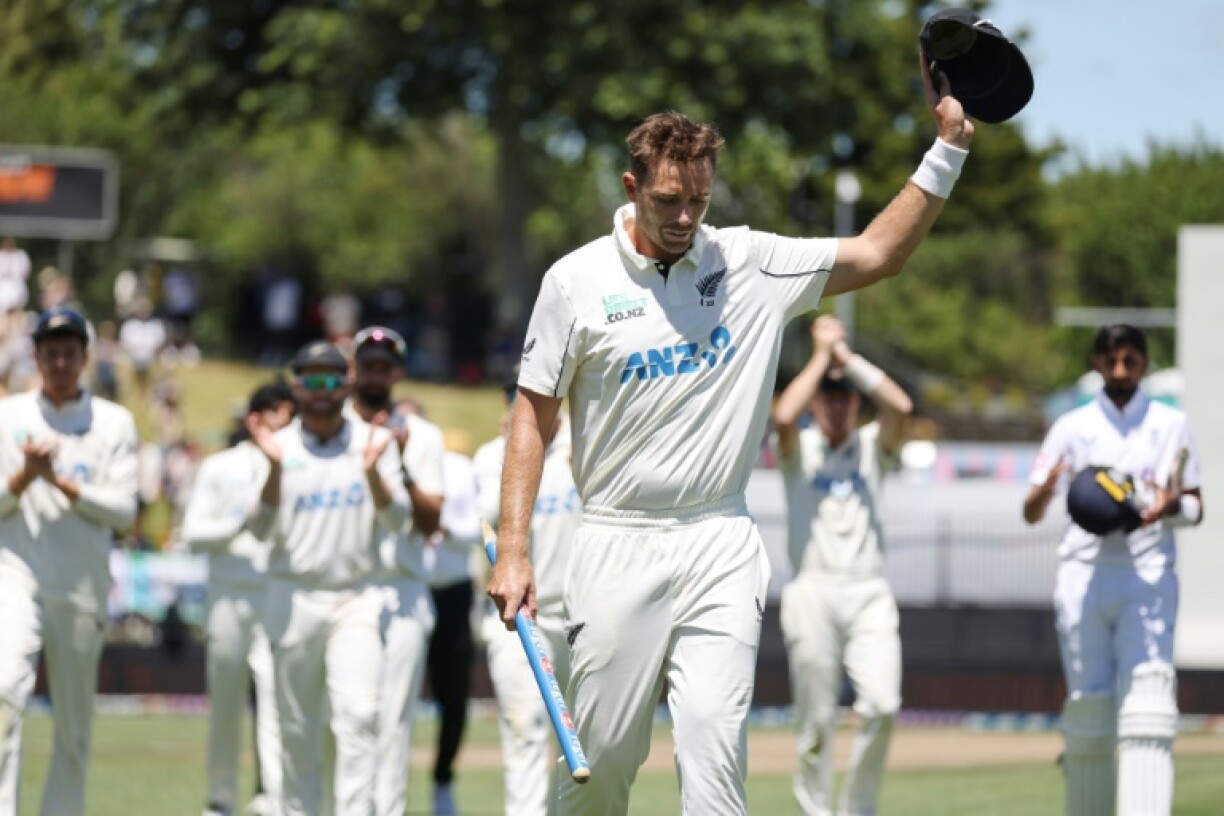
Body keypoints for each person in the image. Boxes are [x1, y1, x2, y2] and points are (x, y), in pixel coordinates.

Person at [486, 62, 974, 814]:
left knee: (715, 749)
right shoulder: (573, 282)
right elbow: (532, 417)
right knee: (604, 762)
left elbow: (879, 254)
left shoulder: (749, 261)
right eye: (668, 201)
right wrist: (514, 550)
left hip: (721, 537)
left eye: (698, 201)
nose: (685, 217)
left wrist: (946, 151)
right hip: (616, 540)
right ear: (630, 188)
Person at [1022, 324, 1203, 816]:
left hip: (1147, 575)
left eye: (1129, 361)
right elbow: (1031, 511)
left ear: (1143, 363)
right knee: (1089, 707)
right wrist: (1044, 490)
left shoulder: (1171, 425)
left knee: (1149, 704)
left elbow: (1195, 509)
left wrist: (1168, 506)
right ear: (1097, 363)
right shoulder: (1072, 426)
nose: (1120, 371)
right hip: (1084, 576)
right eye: (1111, 361)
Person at [245, 340, 408, 816]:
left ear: (348, 383)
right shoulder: (277, 446)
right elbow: (257, 529)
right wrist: (273, 469)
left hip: (355, 597)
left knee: (359, 715)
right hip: (291, 596)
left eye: (331, 379)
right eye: (311, 379)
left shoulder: (371, 440)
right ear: (296, 385)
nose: (321, 389)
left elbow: (400, 521)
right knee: (296, 727)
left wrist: (376, 474)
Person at [772, 315, 913, 816]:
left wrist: (846, 358)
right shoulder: (799, 449)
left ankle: (857, 810)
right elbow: (784, 417)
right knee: (815, 722)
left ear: (855, 402)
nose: (836, 404)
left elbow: (901, 405)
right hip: (811, 590)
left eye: (844, 396)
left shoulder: (873, 447)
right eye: (828, 396)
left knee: (881, 706)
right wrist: (818, 357)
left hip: (868, 591)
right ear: (817, 401)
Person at [0, 307, 139, 816]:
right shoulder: (7, 416)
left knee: (74, 732)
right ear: (35, 356)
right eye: (50, 352)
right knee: (3, 694)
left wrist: (60, 481)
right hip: (14, 578)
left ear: (83, 357)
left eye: (69, 352)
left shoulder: (113, 422)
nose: (59, 361)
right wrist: (24, 477)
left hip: (82, 588)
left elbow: (124, 512)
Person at [343, 325, 445, 816]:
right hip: (345, 588)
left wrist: (402, 463)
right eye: (368, 364)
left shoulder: (422, 436)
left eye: (385, 366)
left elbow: (430, 522)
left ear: (397, 372)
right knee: (348, 718)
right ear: (354, 367)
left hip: (402, 588)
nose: (376, 373)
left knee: (393, 724)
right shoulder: (333, 429)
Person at [182, 382, 296, 816]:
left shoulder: (299, 465)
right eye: (280, 418)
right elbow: (193, 535)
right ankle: (221, 799)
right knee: (226, 703)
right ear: (255, 420)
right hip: (228, 596)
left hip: (275, 595)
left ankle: (274, 795)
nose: (288, 428)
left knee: (276, 700)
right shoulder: (220, 468)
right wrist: (238, 523)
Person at [476, 385, 581, 816]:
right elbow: (483, 521)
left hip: (582, 615)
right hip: (517, 617)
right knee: (525, 732)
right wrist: (510, 451)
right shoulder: (489, 456)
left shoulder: (585, 446)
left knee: (579, 742)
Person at [421, 429, 482, 816]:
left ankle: (443, 781)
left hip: (453, 594)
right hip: (406, 590)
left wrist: (443, 528)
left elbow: (478, 529)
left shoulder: (460, 469)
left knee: (454, 697)